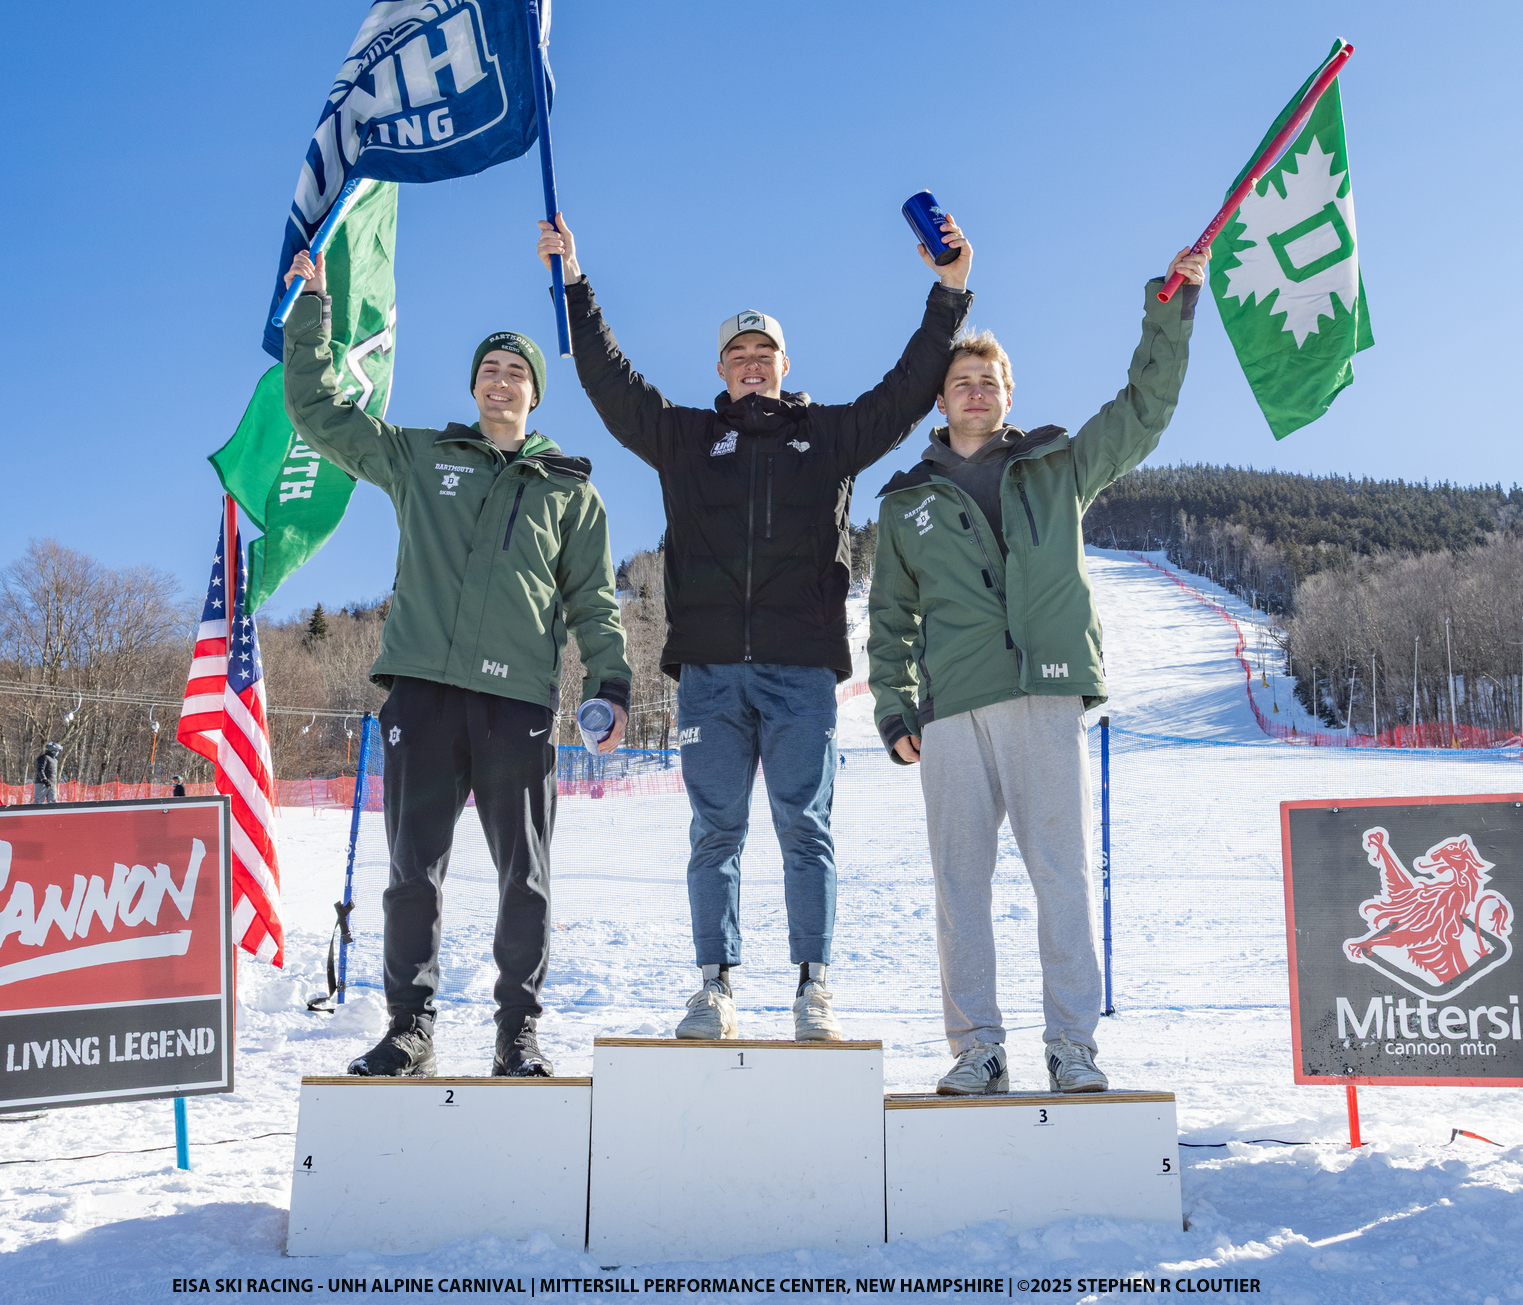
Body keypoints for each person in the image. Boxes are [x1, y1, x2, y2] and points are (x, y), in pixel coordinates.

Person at [535, 211, 974, 1041]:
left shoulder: (829, 438)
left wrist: (948, 293)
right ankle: (715, 989)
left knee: (806, 828)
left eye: (763, 354)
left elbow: (908, 389)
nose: (750, 364)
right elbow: (611, 383)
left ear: (783, 366)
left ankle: (814, 991)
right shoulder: (685, 440)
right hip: (709, 676)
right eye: (737, 355)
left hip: (801, 673)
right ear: (720, 369)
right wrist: (577, 286)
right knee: (716, 833)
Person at [280, 248, 632, 1079]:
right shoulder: (419, 455)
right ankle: (411, 1029)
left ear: (534, 393)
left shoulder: (569, 490)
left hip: (518, 705)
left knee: (526, 878)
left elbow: (593, 601)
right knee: (413, 874)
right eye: (489, 370)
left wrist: (611, 683)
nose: (501, 382)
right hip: (424, 697)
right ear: (474, 386)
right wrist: (312, 311)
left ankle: (518, 1034)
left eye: (516, 372)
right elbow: (318, 412)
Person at [867, 245, 1209, 1095]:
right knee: (959, 887)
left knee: (1061, 875)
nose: (975, 392)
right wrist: (894, 708)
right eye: (961, 382)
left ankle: (1072, 1046)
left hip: (1042, 694)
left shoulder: (1059, 466)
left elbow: (1143, 411)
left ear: (1008, 395)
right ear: (940, 400)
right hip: (951, 711)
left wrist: (1170, 308)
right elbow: (890, 618)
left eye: (989, 382)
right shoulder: (905, 503)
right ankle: (976, 1049)